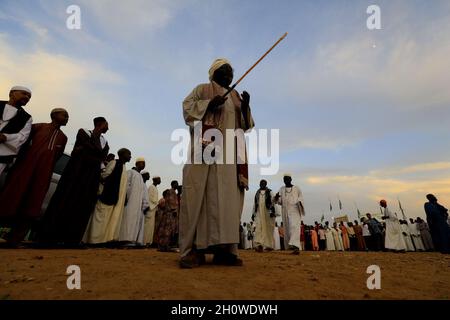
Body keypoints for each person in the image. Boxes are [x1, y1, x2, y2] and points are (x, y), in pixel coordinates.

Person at [179, 58, 255, 268]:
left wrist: (246, 107)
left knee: (228, 202)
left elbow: (246, 126)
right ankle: (195, 250)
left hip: (231, 158)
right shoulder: (202, 90)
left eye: (231, 71)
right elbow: (187, 110)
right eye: (225, 71)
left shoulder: (236, 97)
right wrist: (209, 104)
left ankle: (224, 251)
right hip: (206, 155)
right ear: (213, 73)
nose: (229, 74)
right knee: (202, 198)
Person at [0, 108, 68, 246]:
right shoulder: (37, 127)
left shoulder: (63, 137)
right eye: (64, 115)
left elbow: (56, 156)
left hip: (43, 175)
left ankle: (14, 239)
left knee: (33, 203)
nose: (67, 118)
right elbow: (22, 145)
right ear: (54, 115)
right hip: (24, 169)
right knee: (12, 196)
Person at [39, 117, 110, 246]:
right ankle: (51, 236)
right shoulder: (83, 132)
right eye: (106, 125)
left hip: (91, 177)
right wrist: (95, 154)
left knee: (83, 204)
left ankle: (71, 239)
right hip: (76, 173)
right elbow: (92, 149)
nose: (108, 128)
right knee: (66, 199)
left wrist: (93, 153)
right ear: (99, 124)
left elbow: (100, 154)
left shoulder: (105, 142)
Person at [83, 148, 131, 245]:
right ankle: (93, 241)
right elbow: (104, 176)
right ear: (122, 155)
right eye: (128, 154)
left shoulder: (124, 167)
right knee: (100, 218)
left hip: (114, 199)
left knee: (107, 220)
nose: (130, 156)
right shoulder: (114, 163)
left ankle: (102, 241)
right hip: (106, 196)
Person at [0, 86, 33, 176]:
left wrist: (6, 137)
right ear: (11, 93)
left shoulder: (26, 117)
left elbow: (22, 136)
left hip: (1, 156)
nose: (27, 97)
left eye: (29, 97)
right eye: (24, 94)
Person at [119, 157, 149, 246]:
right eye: (141, 163)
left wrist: (144, 204)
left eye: (144, 163)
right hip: (130, 202)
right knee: (128, 220)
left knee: (135, 222)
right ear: (136, 164)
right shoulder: (130, 172)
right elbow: (126, 186)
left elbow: (143, 193)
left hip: (137, 204)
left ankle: (132, 240)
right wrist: (125, 197)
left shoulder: (140, 176)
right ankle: (125, 239)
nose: (143, 165)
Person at [275, 173, 305, 255]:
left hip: (295, 210)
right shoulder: (281, 189)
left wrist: (299, 202)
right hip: (285, 211)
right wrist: (277, 198)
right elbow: (279, 201)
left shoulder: (296, 188)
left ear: (291, 179)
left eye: (287, 179)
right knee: (288, 228)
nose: (286, 180)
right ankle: (291, 246)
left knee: (294, 227)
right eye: (284, 179)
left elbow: (301, 197)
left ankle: (296, 247)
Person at [252, 179, 276, 252]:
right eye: (260, 183)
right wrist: (253, 213)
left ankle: (269, 246)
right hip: (259, 212)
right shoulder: (257, 193)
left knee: (268, 229)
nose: (261, 184)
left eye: (263, 183)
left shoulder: (270, 192)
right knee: (259, 228)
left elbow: (273, 202)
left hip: (268, 213)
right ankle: (259, 245)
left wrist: (273, 212)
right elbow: (255, 204)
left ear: (266, 184)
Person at [144, 176, 161, 247]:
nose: (160, 181)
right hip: (150, 209)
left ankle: (149, 242)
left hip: (153, 209)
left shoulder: (155, 188)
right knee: (148, 227)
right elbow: (150, 198)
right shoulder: (151, 187)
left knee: (151, 227)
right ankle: (145, 242)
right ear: (155, 180)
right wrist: (157, 203)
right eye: (159, 179)